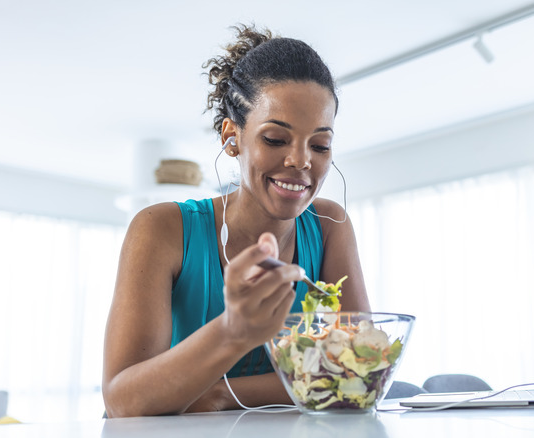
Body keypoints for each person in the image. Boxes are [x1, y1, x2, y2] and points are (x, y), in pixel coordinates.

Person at [102, 24, 370, 417]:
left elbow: (358, 372)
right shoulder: (161, 230)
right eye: (276, 139)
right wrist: (232, 331)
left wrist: (218, 394)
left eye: (320, 144)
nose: (301, 161)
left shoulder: (331, 226)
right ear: (232, 137)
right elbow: (123, 402)